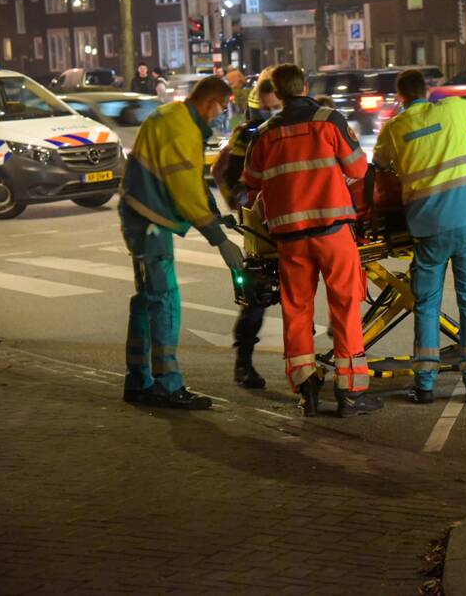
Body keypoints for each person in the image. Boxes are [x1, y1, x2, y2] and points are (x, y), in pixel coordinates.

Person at [242, 64, 381, 418]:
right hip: (333, 233)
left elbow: (251, 183)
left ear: (276, 92)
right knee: (345, 307)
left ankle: (307, 390)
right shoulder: (329, 120)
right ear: (305, 86)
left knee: (297, 310)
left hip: (290, 239)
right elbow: (358, 170)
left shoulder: (265, 133)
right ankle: (351, 393)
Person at [119, 76, 244, 410]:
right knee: (165, 300)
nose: (221, 115)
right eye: (222, 107)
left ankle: (138, 380)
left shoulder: (172, 115)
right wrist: (219, 240)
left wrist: (215, 213)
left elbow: (189, 180)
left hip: (139, 213)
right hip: (150, 220)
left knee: (147, 299)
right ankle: (167, 385)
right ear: (210, 102)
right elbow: (185, 192)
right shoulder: (183, 130)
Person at [373, 69, 466, 406]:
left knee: (427, 306)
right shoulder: (451, 109)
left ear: (400, 97)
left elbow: (379, 165)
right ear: (426, 91)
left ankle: (424, 385)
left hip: (426, 228)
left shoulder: (394, 128)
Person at [217, 70, 279, 390]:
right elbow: (225, 174)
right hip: (263, 232)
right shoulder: (246, 135)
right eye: (268, 110)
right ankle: (244, 363)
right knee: (257, 296)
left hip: (291, 222)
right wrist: (245, 204)